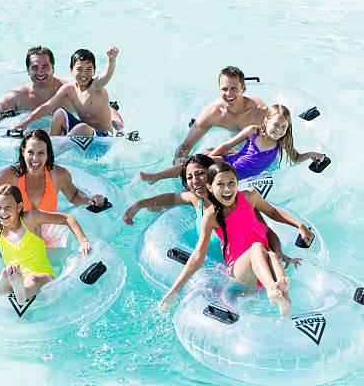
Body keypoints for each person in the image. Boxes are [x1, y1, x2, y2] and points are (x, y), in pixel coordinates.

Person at [159, 162, 314, 316]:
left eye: (231, 183)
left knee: (272, 255)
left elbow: (273, 212)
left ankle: (284, 301)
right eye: (220, 184)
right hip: (239, 272)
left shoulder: (250, 196)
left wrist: (299, 225)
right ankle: (273, 289)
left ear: (237, 183)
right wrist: (175, 290)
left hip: (262, 268)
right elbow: (198, 256)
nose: (227, 189)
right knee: (257, 247)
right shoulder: (211, 216)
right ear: (210, 187)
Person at [124, 154, 301, 269]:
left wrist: (277, 254)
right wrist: (139, 204)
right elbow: (173, 198)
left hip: (241, 267)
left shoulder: (239, 201)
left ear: (212, 173)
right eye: (190, 177)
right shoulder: (196, 198)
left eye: (200, 174)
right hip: (211, 264)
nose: (195, 181)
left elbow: (266, 231)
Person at [0, 184, 92, 305]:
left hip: (41, 274)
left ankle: (15, 290)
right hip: (14, 274)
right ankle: (10, 284)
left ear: (19, 207)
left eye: (8, 207)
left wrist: (83, 241)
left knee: (32, 280)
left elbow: (67, 219)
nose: (3, 212)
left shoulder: (30, 219)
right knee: (13, 281)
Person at [140, 104, 325, 183]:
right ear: (266, 121)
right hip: (228, 165)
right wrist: (211, 156)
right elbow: (228, 145)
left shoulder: (282, 143)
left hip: (236, 176)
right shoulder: (253, 130)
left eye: (284, 127)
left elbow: (295, 158)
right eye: (276, 124)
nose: (279, 129)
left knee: (203, 168)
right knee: (198, 164)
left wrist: (309, 155)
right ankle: (156, 176)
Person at [0, 46, 124, 131]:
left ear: (53, 69)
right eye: (35, 68)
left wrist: (121, 128)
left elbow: (104, 109)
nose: (41, 73)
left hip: (72, 138)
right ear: (27, 71)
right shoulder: (15, 98)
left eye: (45, 67)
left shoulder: (69, 91)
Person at [12, 47, 122, 137]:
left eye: (88, 69)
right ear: (71, 70)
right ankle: (50, 147)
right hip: (83, 134)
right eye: (79, 69)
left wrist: (111, 60)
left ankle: (56, 152)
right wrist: (25, 122)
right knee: (59, 113)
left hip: (103, 138)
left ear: (94, 71)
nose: (84, 74)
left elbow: (107, 75)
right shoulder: (69, 89)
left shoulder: (96, 86)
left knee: (82, 127)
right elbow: (47, 106)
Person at [172, 66, 268, 166]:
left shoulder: (258, 113)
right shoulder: (212, 112)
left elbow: (261, 153)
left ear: (243, 88)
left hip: (246, 148)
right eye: (224, 89)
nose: (228, 93)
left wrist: (222, 153)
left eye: (233, 88)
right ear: (219, 90)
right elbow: (186, 145)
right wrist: (178, 160)